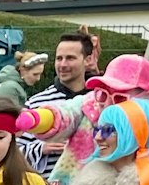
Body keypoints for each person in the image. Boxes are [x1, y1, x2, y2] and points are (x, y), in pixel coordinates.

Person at [19, 30, 95, 176]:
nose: (62, 64)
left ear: (87, 60)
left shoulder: (101, 101)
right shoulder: (37, 103)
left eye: (70, 58)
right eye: (59, 58)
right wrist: (41, 147)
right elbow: (12, 151)